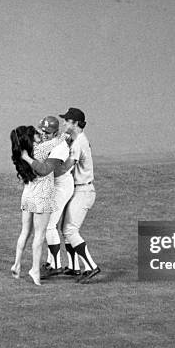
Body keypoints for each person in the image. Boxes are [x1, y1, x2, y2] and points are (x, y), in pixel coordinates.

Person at [21, 117, 76, 279]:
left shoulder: (60, 148)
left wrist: (27, 158)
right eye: (42, 130)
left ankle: (56, 265)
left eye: (48, 132)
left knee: (50, 225)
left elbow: (45, 170)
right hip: (51, 185)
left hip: (60, 186)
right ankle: (53, 262)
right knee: (47, 226)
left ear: (55, 133)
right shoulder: (53, 140)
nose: (43, 134)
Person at [9, 124, 60, 285]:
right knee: (40, 235)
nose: (39, 135)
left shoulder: (19, 155)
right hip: (42, 197)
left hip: (27, 196)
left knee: (25, 232)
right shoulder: (39, 151)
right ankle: (35, 270)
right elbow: (61, 139)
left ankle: (17, 264)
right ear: (30, 139)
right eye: (36, 134)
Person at [59, 108, 101, 283]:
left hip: (83, 191)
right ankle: (74, 267)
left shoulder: (79, 143)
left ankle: (91, 266)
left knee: (70, 230)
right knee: (65, 229)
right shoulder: (76, 140)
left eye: (67, 121)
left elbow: (65, 167)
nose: (63, 123)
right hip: (77, 190)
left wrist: (42, 172)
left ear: (75, 123)